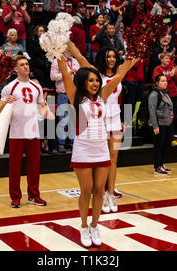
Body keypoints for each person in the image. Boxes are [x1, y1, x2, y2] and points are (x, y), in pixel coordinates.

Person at [57, 41, 137, 247]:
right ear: (83, 81)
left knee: (100, 190)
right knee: (87, 190)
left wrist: (135, 54)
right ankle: (83, 226)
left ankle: (95, 225)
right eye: (90, 80)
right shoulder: (76, 97)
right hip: (83, 149)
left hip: (101, 148)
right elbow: (66, 75)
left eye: (96, 80)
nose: (94, 83)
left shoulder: (103, 94)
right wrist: (56, 52)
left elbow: (120, 75)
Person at [0, 55, 54, 208]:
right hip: (16, 133)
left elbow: (42, 106)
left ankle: (34, 196)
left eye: (27, 64)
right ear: (16, 69)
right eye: (22, 65)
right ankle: (15, 197)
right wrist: (5, 103)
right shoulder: (10, 87)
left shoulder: (37, 87)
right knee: (14, 168)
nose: (25, 67)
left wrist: (46, 112)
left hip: (34, 132)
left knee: (34, 167)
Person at [50, 49, 80, 153]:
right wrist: (67, 74)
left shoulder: (76, 61)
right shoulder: (57, 61)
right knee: (63, 119)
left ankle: (73, 143)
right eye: (69, 49)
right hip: (62, 93)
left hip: (74, 93)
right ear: (64, 50)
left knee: (73, 119)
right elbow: (53, 77)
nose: (72, 51)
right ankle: (61, 144)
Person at [148, 74, 174, 175]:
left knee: (166, 145)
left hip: (168, 124)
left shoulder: (166, 93)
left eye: (166, 81)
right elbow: (152, 111)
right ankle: (157, 167)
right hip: (159, 124)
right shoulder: (154, 94)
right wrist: (155, 126)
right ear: (157, 83)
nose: (165, 83)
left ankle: (161, 164)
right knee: (158, 146)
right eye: (162, 81)